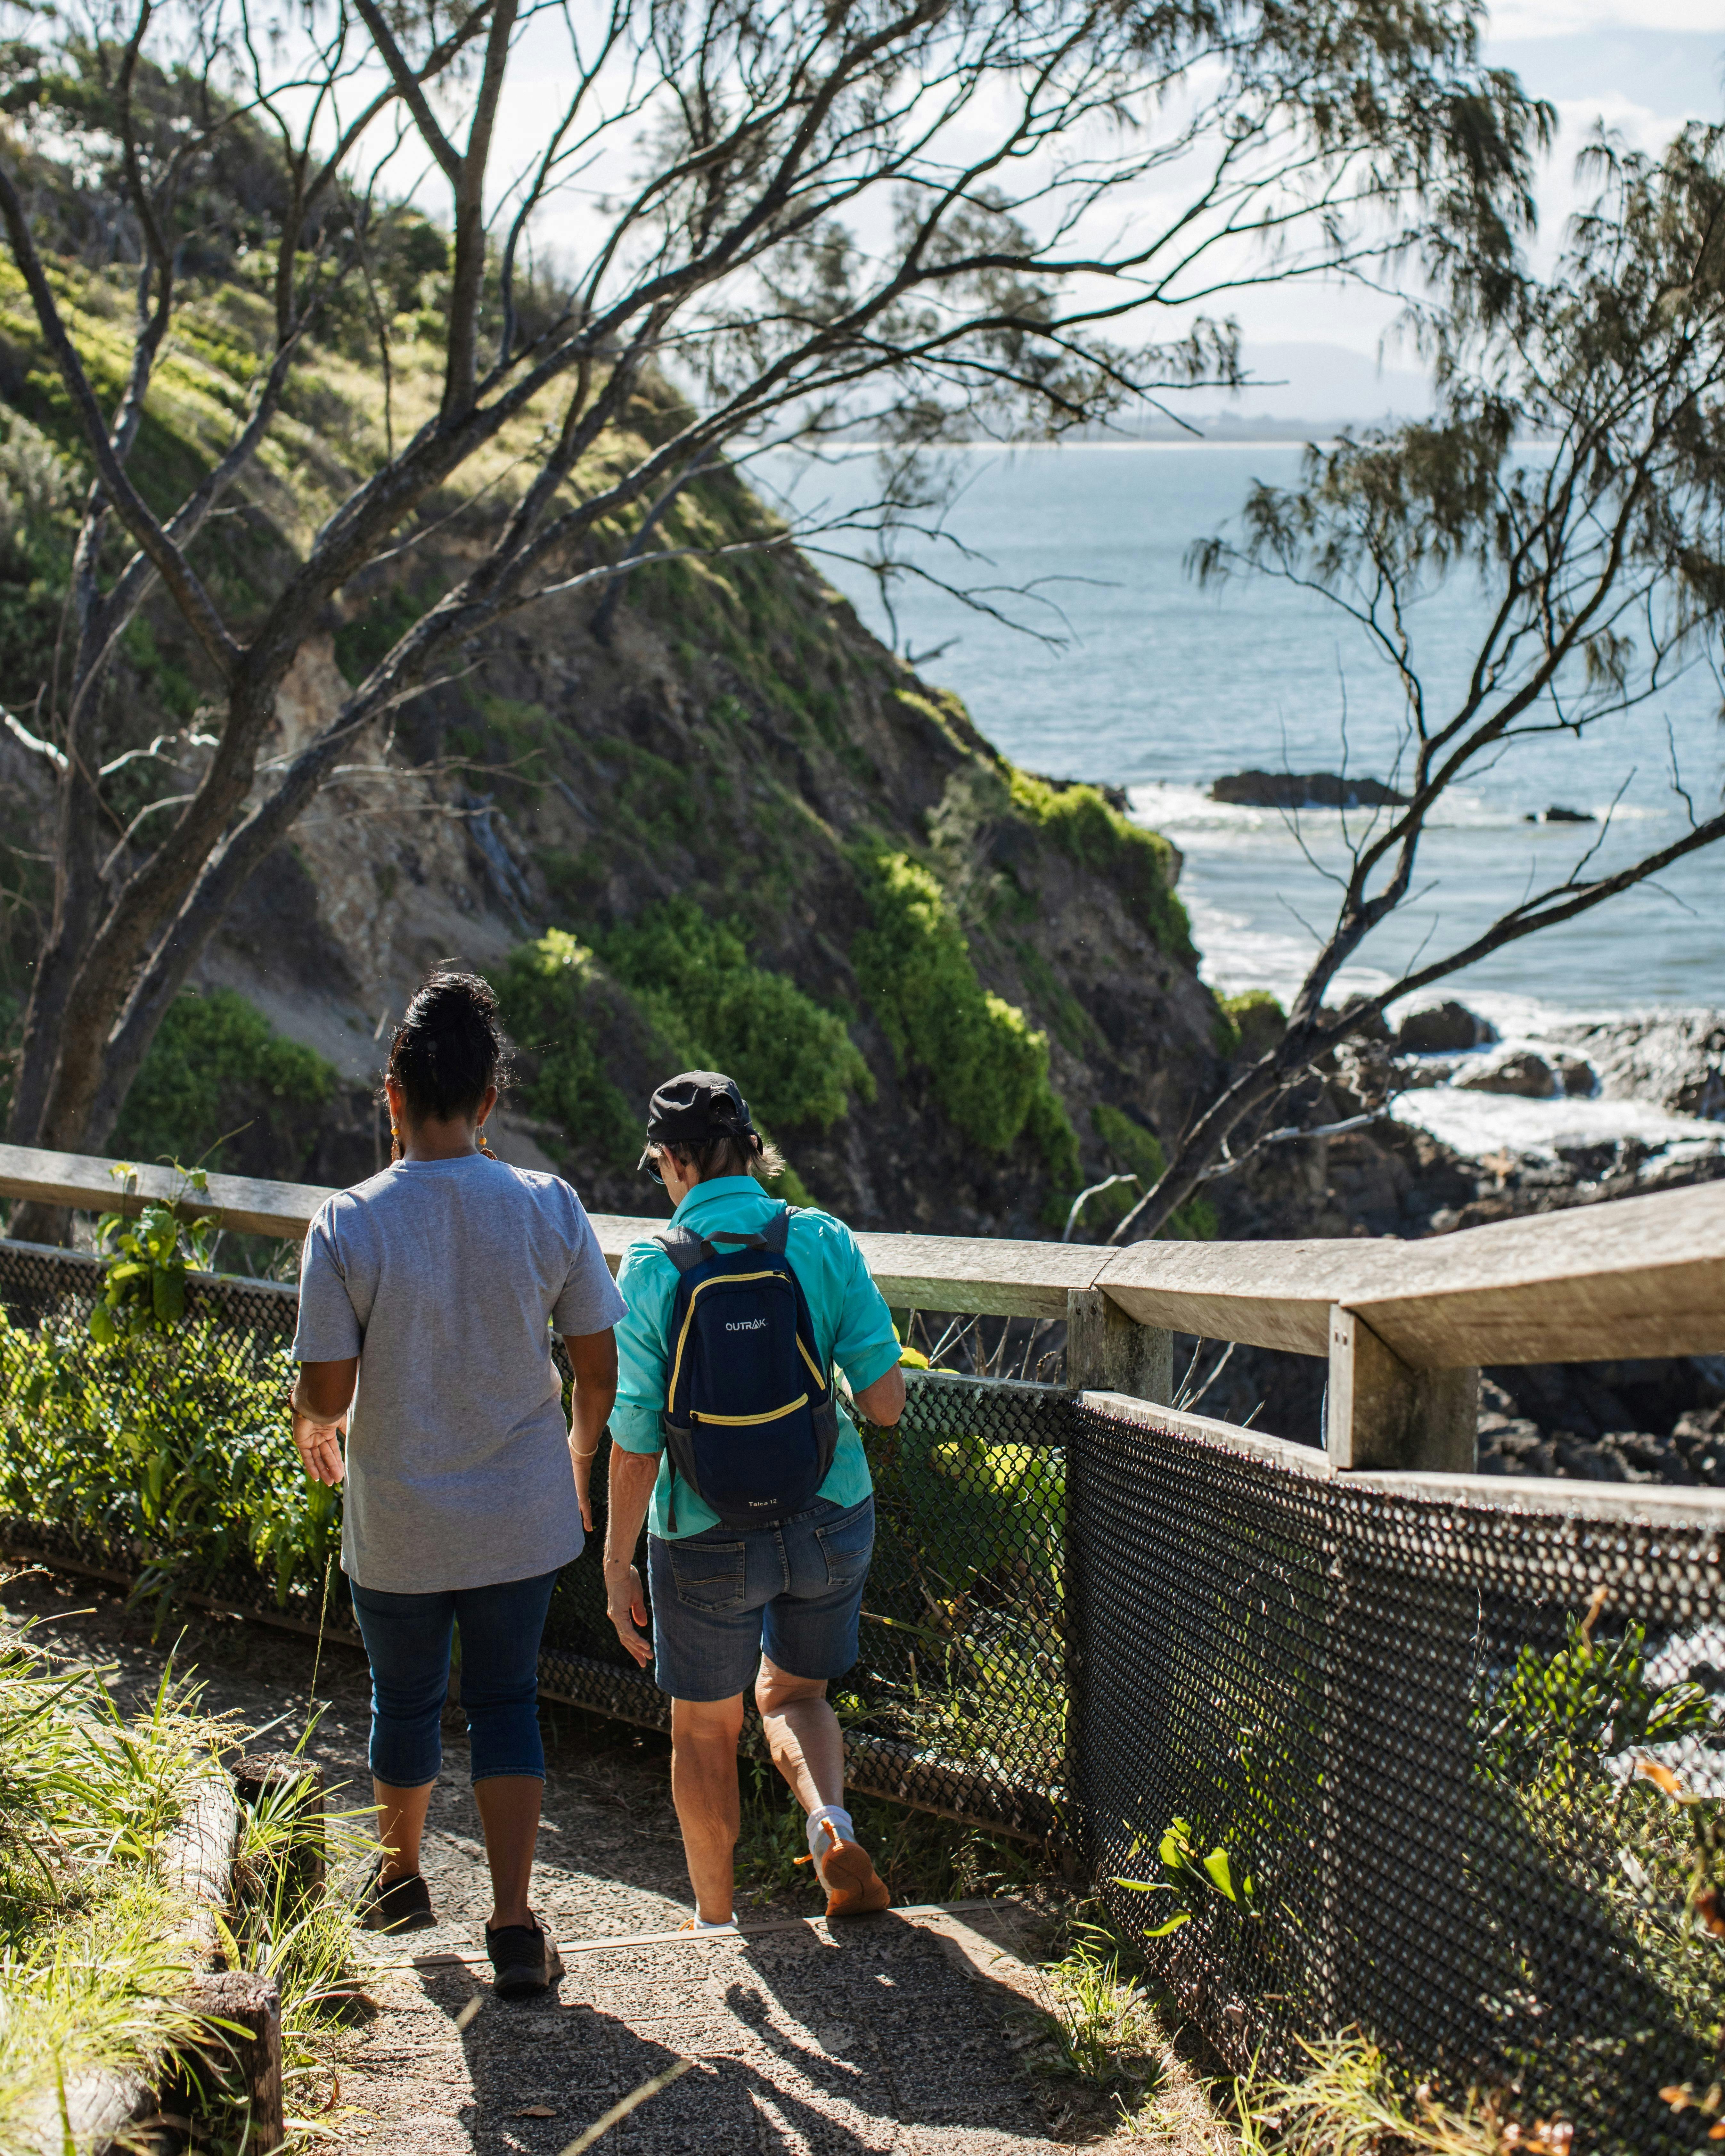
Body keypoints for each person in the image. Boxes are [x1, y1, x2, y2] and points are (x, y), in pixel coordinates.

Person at [288, 971, 625, 1997]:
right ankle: (514, 1925)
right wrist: (576, 1458)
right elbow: (598, 1370)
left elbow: (328, 1389)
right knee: (506, 1699)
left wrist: (311, 1421)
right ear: (489, 1099)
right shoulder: (547, 1205)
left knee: (404, 1694)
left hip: (397, 1513)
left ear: (392, 1096)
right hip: (520, 1511)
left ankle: (399, 1880)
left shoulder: (348, 1222)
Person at [606, 1071, 907, 1931]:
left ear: (672, 1161)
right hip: (829, 1512)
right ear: (750, 1150)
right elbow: (886, 1403)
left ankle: (714, 1921)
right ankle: (829, 1824)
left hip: (702, 1530)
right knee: (796, 1694)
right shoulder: (819, 1238)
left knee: (705, 1729)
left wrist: (617, 1561)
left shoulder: (652, 1267)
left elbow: (637, 1440)